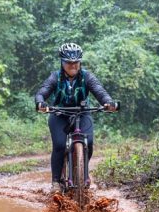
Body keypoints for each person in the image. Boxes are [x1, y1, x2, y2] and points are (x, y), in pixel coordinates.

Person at [35, 43, 118, 193]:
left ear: (80, 62)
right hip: (59, 113)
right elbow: (43, 91)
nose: (73, 65)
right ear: (62, 62)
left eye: (76, 62)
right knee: (60, 145)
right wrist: (40, 102)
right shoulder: (55, 77)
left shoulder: (87, 76)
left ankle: (83, 174)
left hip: (82, 112)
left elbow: (100, 91)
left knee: (90, 142)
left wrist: (108, 102)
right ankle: (56, 182)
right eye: (69, 62)